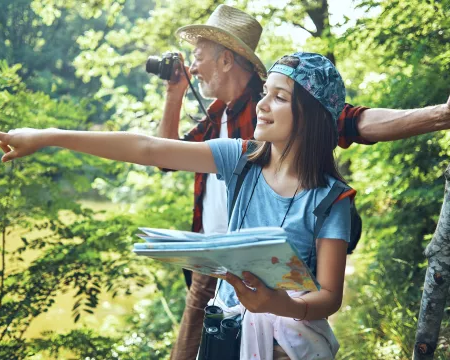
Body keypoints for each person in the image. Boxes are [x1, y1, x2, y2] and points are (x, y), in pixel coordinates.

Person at [0, 50, 356, 359]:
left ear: (310, 116)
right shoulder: (241, 158)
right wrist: (47, 136)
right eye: (264, 93)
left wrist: (277, 304)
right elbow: (147, 148)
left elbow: (329, 297)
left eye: (280, 97)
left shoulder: (330, 199)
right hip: (224, 333)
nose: (262, 104)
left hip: (289, 348)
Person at [160, 5, 450, 360]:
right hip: (213, 266)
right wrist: (174, 95)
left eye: (198, 56)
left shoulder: (277, 101)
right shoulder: (216, 115)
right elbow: (165, 156)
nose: (191, 67)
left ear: (225, 60)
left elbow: (353, 121)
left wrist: (440, 115)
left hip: (267, 271)